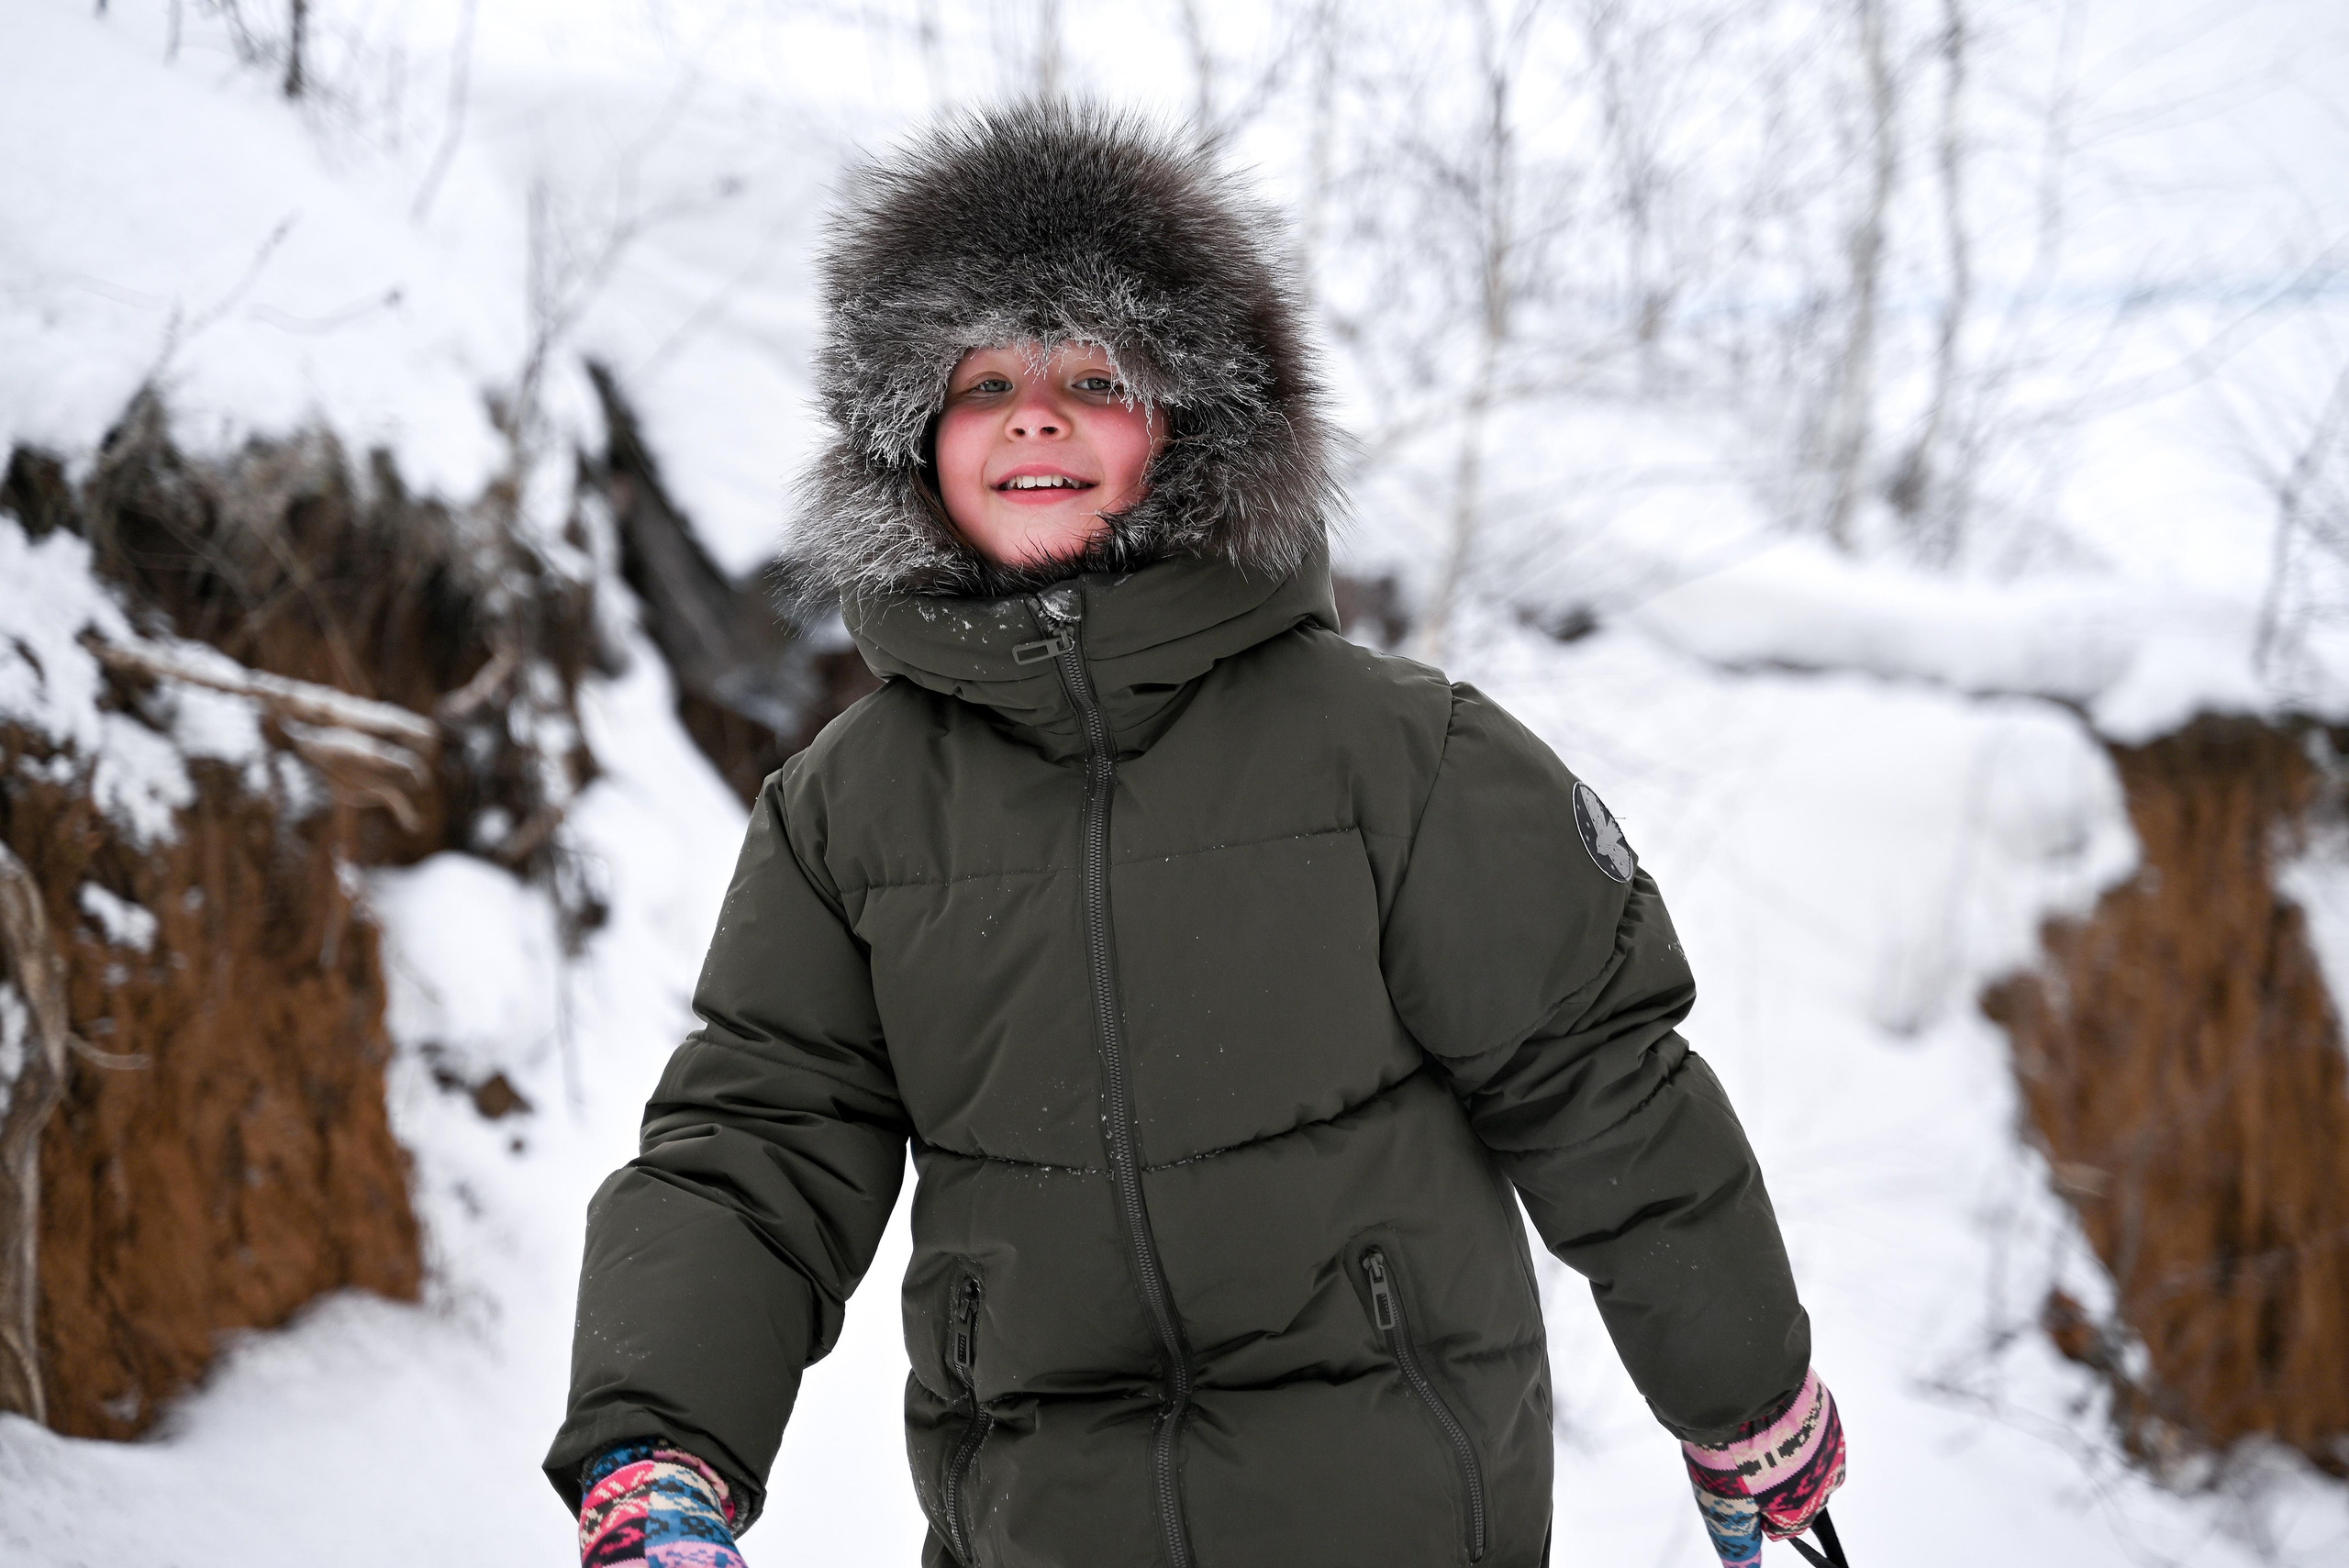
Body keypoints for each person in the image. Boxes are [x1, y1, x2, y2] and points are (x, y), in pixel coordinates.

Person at [545, 101, 1845, 1568]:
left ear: (1190, 422)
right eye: (984, 381)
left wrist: (1747, 1400)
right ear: (913, 437)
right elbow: (760, 1137)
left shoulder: (1399, 755)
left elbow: (1599, 1080)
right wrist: (663, 1437)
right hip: (1040, 1525)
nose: (1035, 415)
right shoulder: (850, 809)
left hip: (1389, 1517)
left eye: (1093, 372)